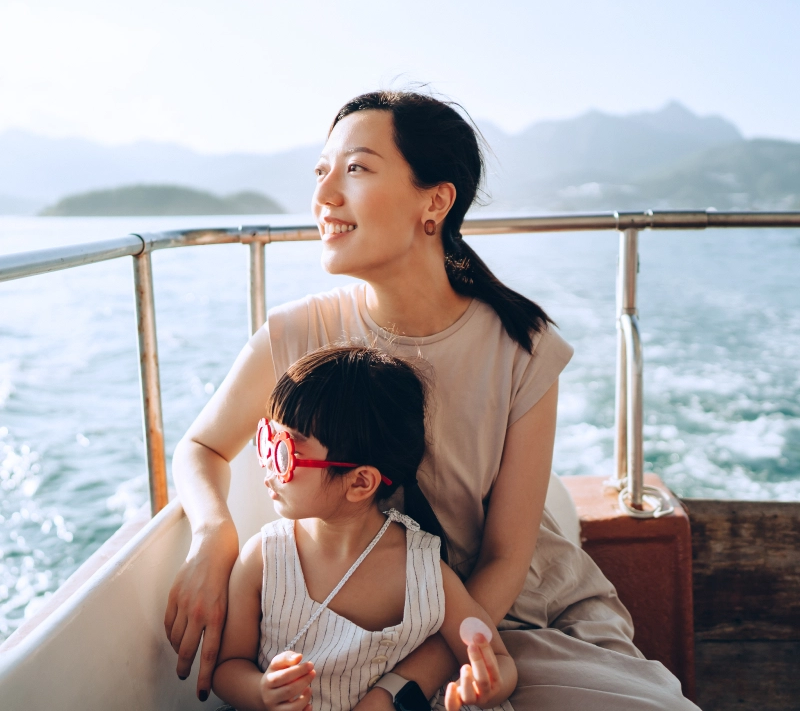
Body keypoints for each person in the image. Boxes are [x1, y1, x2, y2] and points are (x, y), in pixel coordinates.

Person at [166, 90, 699, 710]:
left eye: (356, 168)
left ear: (435, 201)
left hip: (505, 621)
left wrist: (402, 686)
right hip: (356, 633)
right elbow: (201, 447)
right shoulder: (296, 335)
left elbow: (505, 558)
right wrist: (213, 538)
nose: (324, 196)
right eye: (322, 171)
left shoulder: (522, 348)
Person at [212, 346, 517, 711]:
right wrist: (261, 691)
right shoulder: (263, 558)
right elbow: (228, 668)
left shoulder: (422, 572)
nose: (268, 467)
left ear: (360, 483)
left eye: (285, 453)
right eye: (266, 440)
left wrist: (484, 686)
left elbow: (499, 660)